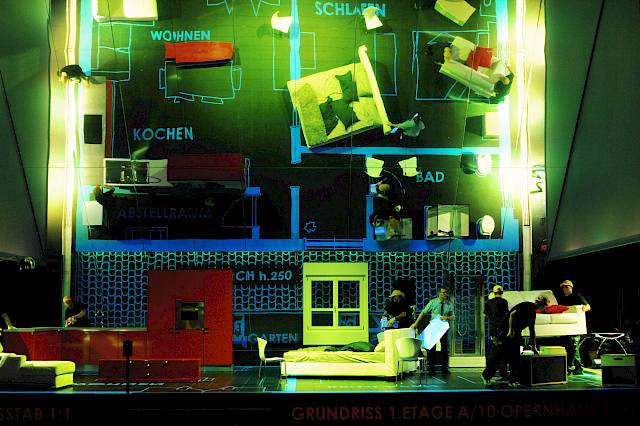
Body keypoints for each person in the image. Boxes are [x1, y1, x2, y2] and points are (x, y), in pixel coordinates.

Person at [503, 295, 549, 386]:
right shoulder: (527, 306)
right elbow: (512, 314)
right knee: (511, 355)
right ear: (542, 305)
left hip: (516, 332)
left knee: (515, 355)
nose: (544, 308)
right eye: (545, 306)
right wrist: (510, 330)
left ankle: (512, 378)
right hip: (507, 329)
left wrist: (534, 347)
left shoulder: (533, 314)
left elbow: (532, 331)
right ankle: (510, 379)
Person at [410, 287, 454, 375]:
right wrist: (415, 323)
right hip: (434, 327)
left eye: (445, 293)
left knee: (444, 348)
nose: (444, 294)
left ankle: (444, 368)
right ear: (439, 293)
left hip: (443, 328)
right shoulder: (433, 302)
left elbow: (453, 317)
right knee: (431, 348)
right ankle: (431, 368)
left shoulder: (449, 304)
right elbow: (423, 312)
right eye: (442, 292)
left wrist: (446, 317)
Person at [555, 279, 591, 375]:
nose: (565, 289)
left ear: (571, 287)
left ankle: (574, 367)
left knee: (573, 345)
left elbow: (588, 306)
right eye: (563, 287)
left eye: (566, 287)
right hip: (566, 326)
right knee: (570, 346)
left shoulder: (577, 296)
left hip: (575, 326)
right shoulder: (562, 299)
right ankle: (577, 367)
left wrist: (583, 308)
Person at [481, 285, 509, 384]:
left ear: (493, 293)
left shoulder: (488, 303)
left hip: (493, 330)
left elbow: (485, 314)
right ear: (502, 292)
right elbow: (506, 315)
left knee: (494, 352)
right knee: (502, 352)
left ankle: (489, 373)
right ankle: (501, 373)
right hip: (503, 330)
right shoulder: (504, 302)